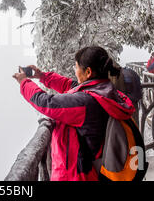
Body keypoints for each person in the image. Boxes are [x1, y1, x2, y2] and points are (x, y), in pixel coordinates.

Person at [12, 46, 135, 181]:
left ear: (88, 72)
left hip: (79, 175)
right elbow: (69, 85)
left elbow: (45, 102)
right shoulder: (104, 89)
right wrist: (41, 76)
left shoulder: (85, 102)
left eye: (76, 68)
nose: (75, 72)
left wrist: (24, 82)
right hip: (91, 169)